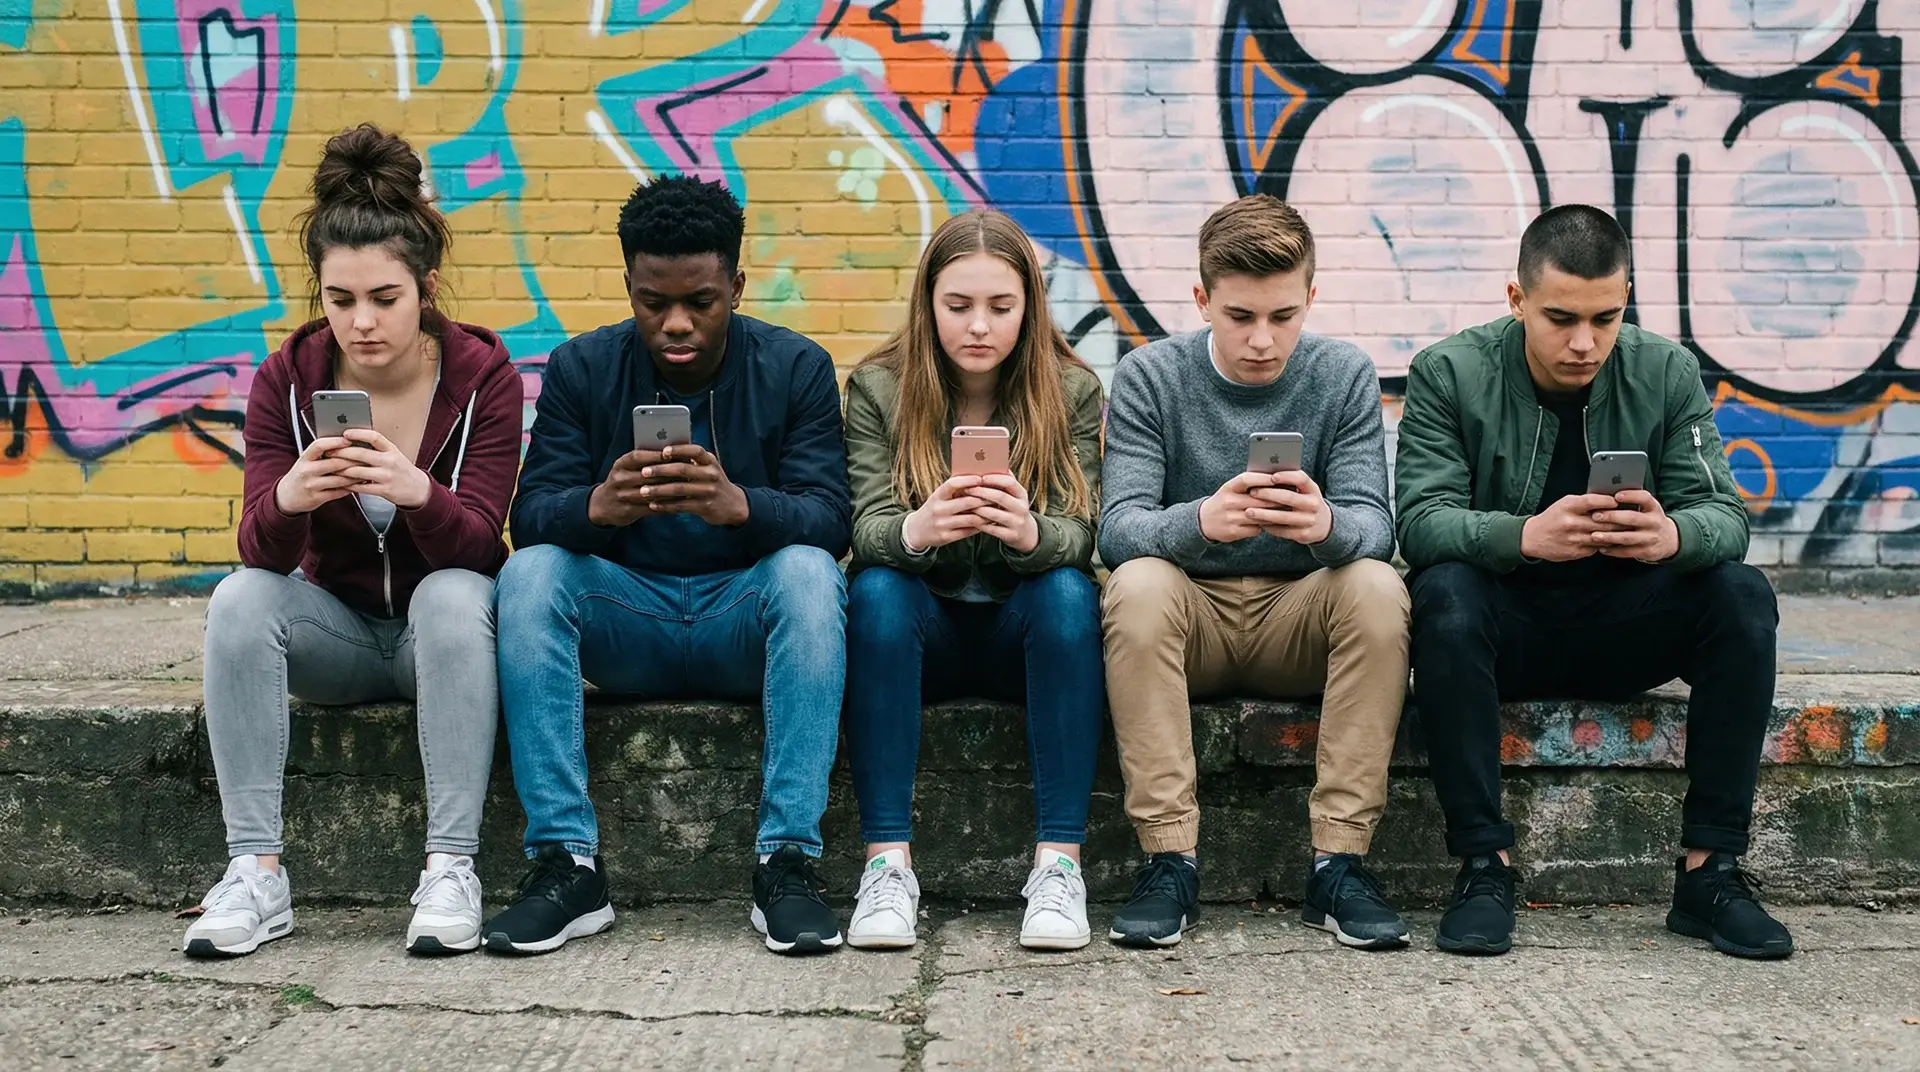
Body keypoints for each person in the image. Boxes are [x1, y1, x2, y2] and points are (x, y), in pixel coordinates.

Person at [1395, 204, 1792, 959]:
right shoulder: (1449, 371)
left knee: (1742, 595)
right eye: (1560, 318)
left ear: (1627, 299)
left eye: (1605, 318)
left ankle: (1711, 874)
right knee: (1442, 593)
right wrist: (1525, 536)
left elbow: (1725, 516)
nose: (1584, 342)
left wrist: (1673, 535)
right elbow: (1417, 521)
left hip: (1624, 621)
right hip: (1504, 627)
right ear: (1516, 301)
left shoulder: (1664, 370)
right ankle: (1485, 867)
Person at [482, 175, 852, 957]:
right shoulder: (582, 368)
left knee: (813, 575)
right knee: (530, 574)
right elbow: (529, 516)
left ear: (737, 287)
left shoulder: (797, 368)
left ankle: (787, 862)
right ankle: (566, 863)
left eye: (702, 302)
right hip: (630, 623)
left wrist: (739, 505)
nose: (676, 323)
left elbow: (831, 518)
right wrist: (598, 507)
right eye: (654, 303)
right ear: (629, 287)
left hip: (741, 622)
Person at [187, 124, 524, 958]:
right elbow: (260, 553)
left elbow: (484, 549)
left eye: (385, 298)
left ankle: (451, 868)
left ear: (426, 288)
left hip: (435, 644)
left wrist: (417, 493)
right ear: (320, 295)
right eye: (341, 300)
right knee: (237, 597)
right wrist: (291, 497)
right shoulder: (288, 379)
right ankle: (255, 872)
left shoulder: (485, 378)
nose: (362, 323)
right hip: (334, 636)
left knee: (454, 592)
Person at [1098, 195, 1411, 950]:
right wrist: (1199, 521)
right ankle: (1169, 861)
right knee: (1135, 584)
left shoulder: (1341, 373)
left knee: (1378, 586)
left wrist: (1327, 526)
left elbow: (1377, 523)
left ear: (1312, 295)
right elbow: (1117, 529)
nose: (1263, 340)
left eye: (1283, 315)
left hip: (1298, 617)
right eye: (1240, 316)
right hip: (1191, 618)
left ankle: (1339, 863)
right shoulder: (1150, 376)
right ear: (1202, 298)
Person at [840, 210, 1106, 952]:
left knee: (1066, 592)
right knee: (877, 591)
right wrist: (915, 531)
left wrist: (1029, 535)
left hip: (1024, 633)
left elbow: (1084, 534)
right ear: (928, 304)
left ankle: (1059, 868)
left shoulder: (1072, 391)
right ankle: (887, 868)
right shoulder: (879, 388)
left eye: (1001, 306)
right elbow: (863, 528)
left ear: (1030, 306)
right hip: (922, 633)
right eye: (958, 306)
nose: (979, 327)